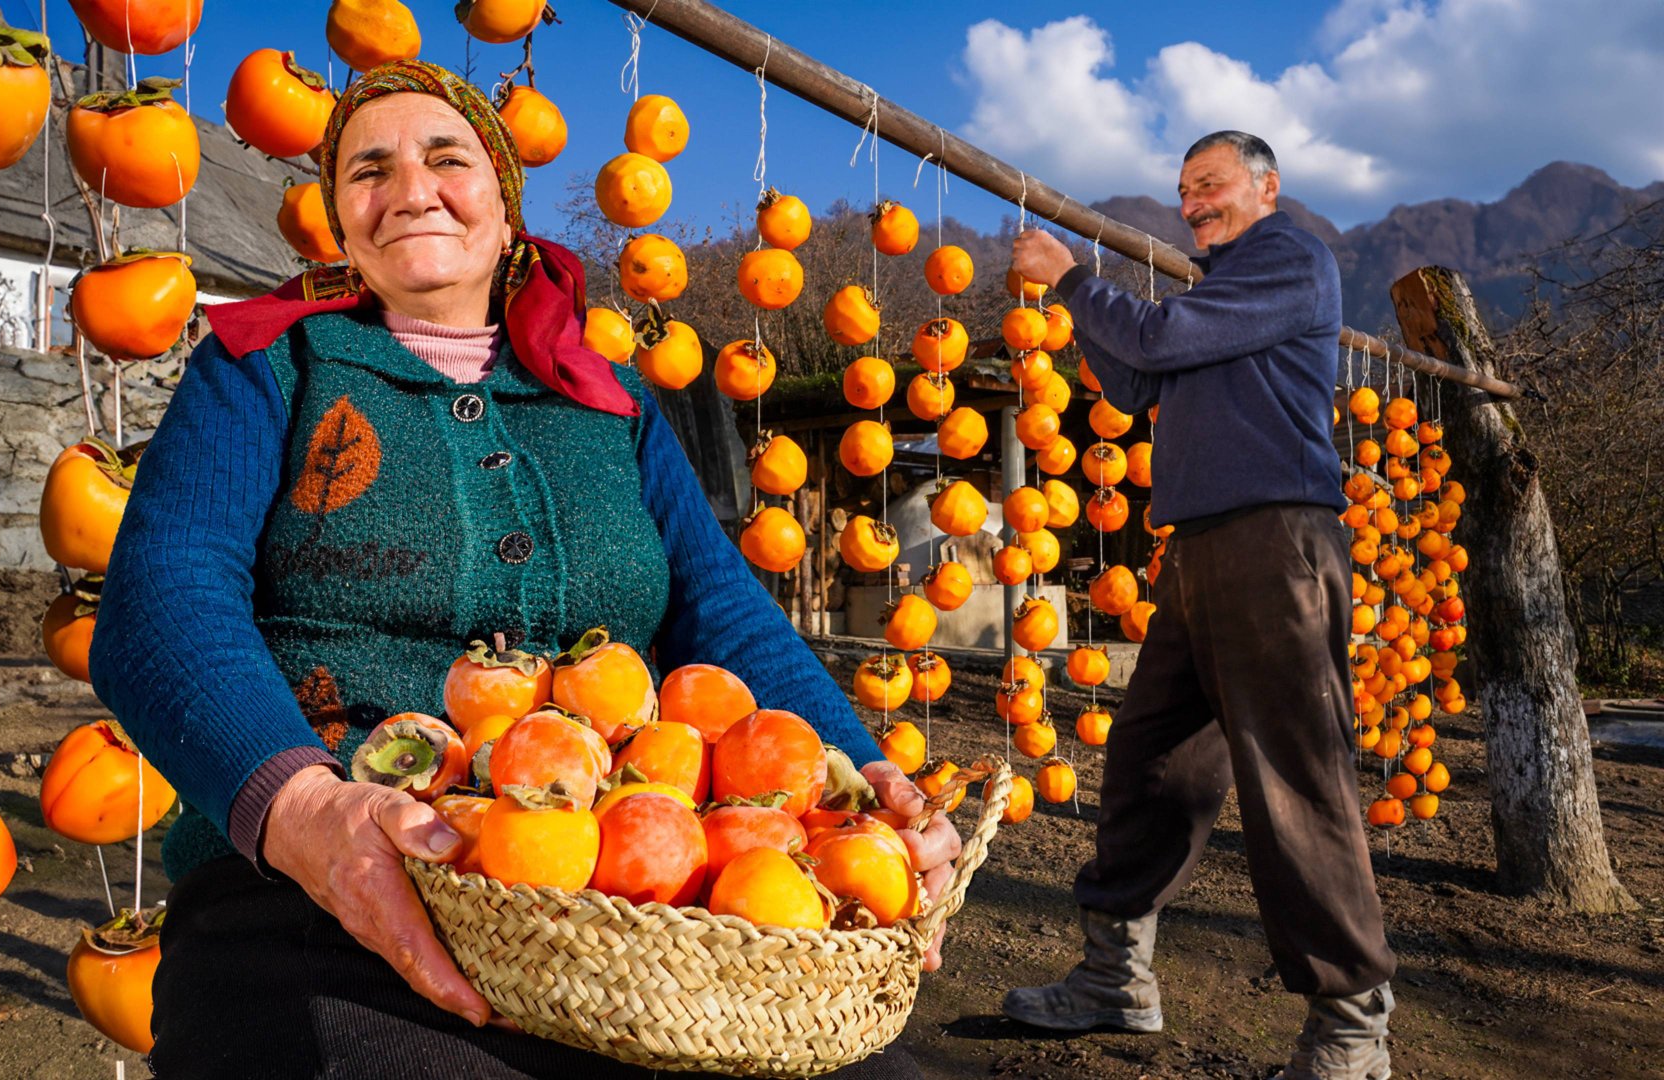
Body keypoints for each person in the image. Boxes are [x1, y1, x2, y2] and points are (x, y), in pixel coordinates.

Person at [87, 61, 959, 1080]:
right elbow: (164, 602)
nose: (410, 189)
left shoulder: (612, 404)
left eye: (446, 159)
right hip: (325, 888)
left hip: (627, 905)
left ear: (507, 214)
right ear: (341, 227)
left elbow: (727, 614)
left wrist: (860, 783)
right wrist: (305, 811)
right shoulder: (264, 369)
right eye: (368, 170)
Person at [1003, 131, 1397, 1080]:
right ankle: (1116, 976)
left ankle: (1352, 1028)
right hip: (1200, 548)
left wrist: (1072, 278)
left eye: (1209, 184)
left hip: (1276, 541)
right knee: (1152, 760)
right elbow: (1135, 376)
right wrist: (1082, 305)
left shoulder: (1289, 258)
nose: (1192, 204)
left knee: (1294, 778)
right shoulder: (1217, 291)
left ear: (1267, 186)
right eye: (1183, 191)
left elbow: (1156, 340)